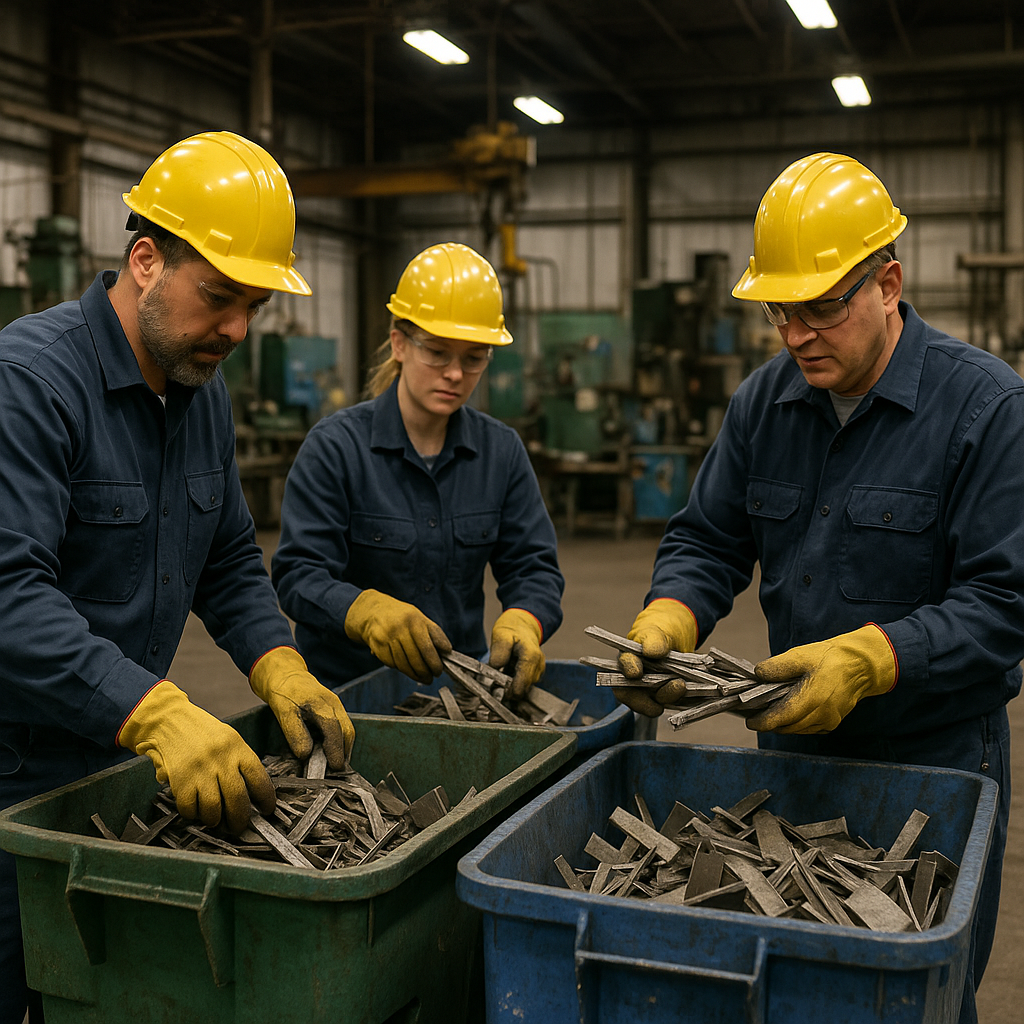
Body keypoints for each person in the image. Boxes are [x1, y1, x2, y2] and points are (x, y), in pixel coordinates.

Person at [616, 152, 1022, 1024]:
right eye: (779, 311)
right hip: (796, 754)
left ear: (888, 282)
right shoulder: (765, 403)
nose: (796, 334)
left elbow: (1005, 603)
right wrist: (669, 612)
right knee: (799, 988)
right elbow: (708, 538)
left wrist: (872, 658)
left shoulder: (987, 410)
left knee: (917, 998)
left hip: (935, 765)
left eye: (822, 308)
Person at [0, 130, 355, 1023]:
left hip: (114, 766)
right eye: (219, 298)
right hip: (12, 779)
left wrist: (277, 658)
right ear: (146, 260)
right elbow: (8, 594)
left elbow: (228, 554)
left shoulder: (201, 385)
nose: (237, 330)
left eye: (255, 307)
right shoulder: (31, 382)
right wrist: (158, 710)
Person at [272, 242, 564, 699]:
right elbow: (298, 575)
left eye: (474, 358)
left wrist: (524, 617)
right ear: (399, 343)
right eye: (438, 353)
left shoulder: (500, 452)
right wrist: (363, 610)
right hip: (348, 697)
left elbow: (534, 566)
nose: (455, 373)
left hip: (459, 693)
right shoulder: (335, 448)